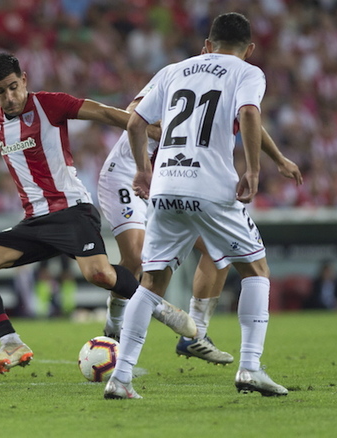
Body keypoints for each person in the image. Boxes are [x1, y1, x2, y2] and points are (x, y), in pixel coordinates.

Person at [0, 53, 197, 375]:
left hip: (72, 212)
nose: (10, 97)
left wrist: (142, 127)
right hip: (34, 223)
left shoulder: (50, 105)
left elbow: (102, 112)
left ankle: (161, 308)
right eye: (1, 91)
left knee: (98, 275)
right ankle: (11, 342)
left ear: (24, 79)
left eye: (14, 87)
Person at [105, 12, 288, 398]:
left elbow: (135, 123)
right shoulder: (247, 71)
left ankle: (120, 379)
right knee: (255, 268)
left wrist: (142, 171)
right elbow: (249, 113)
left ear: (207, 44)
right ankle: (250, 368)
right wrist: (254, 171)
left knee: (151, 284)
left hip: (166, 185)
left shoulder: (176, 69)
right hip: (210, 185)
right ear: (249, 49)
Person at [98, 87, 303, 365]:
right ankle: (114, 326)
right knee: (135, 256)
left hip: (170, 179)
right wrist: (159, 131)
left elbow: (248, 119)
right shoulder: (176, 76)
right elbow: (134, 113)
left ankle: (195, 335)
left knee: (219, 249)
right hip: (128, 173)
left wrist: (278, 158)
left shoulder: (227, 85)